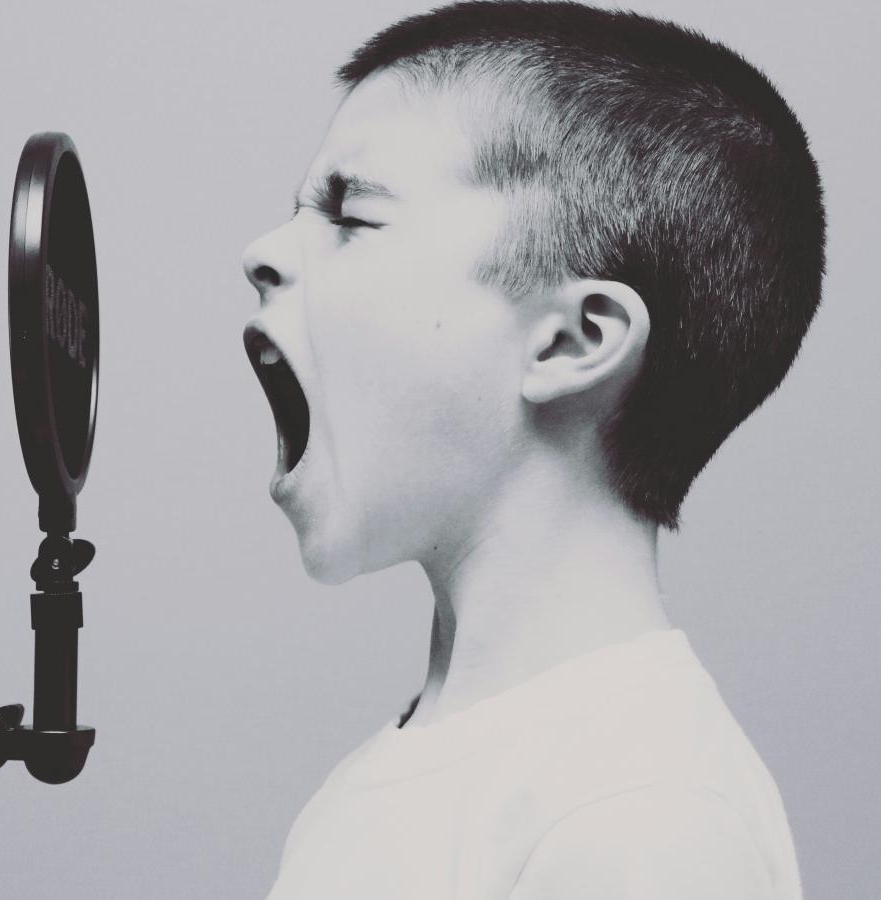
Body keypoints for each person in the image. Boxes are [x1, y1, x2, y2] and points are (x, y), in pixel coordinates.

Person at [239, 2, 823, 897]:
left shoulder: (641, 821)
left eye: (350, 214)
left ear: (572, 341)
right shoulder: (399, 776)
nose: (264, 253)